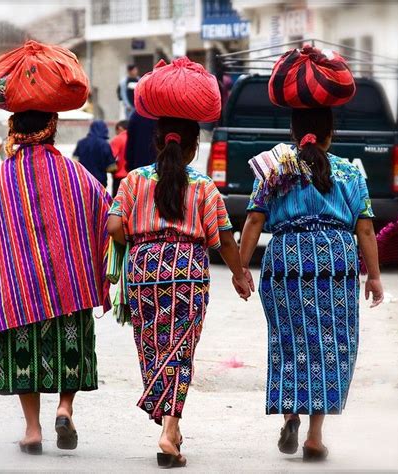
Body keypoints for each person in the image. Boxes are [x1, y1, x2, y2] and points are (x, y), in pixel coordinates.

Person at [0, 40, 111, 455]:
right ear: (53, 124)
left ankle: (32, 429)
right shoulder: (77, 175)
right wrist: (102, 274)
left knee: (25, 354)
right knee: (70, 348)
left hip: (19, 291)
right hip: (69, 287)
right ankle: (65, 407)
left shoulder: (1, 180)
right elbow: (106, 217)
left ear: (14, 127)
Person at [239, 46, 384, 463]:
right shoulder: (350, 171)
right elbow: (366, 228)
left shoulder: (275, 169)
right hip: (336, 263)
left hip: (286, 260)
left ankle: (290, 414)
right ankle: (315, 436)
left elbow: (252, 221)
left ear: (293, 128)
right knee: (331, 346)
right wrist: (373, 275)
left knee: (290, 343)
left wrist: (241, 269)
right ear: (329, 132)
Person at [108, 57, 251, 468]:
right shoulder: (204, 186)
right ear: (194, 146)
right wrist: (240, 274)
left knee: (153, 349)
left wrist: (140, 242)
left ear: (156, 142)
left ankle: (167, 422)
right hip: (188, 270)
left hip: (143, 270)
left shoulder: (134, 180)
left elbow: (114, 226)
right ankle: (170, 428)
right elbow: (224, 237)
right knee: (180, 351)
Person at [73, 120, 116, 188]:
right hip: (99, 182)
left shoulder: (81, 142)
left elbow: (74, 162)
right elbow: (111, 167)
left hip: (83, 180)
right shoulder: (104, 145)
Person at [110, 120, 128, 196]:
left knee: (118, 201)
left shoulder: (118, 139)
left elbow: (111, 157)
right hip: (134, 174)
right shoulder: (136, 137)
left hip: (119, 175)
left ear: (120, 128)